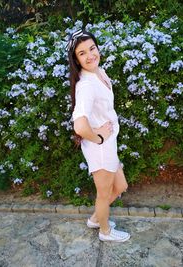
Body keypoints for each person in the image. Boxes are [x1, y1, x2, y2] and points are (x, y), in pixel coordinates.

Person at [67, 29, 130, 242]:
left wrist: (106, 137)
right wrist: (99, 137)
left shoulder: (98, 72)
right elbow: (80, 126)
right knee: (103, 195)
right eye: (82, 53)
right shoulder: (85, 85)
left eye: (92, 48)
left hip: (109, 143)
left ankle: (96, 218)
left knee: (120, 186)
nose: (90, 55)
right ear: (76, 60)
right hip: (100, 148)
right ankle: (105, 231)